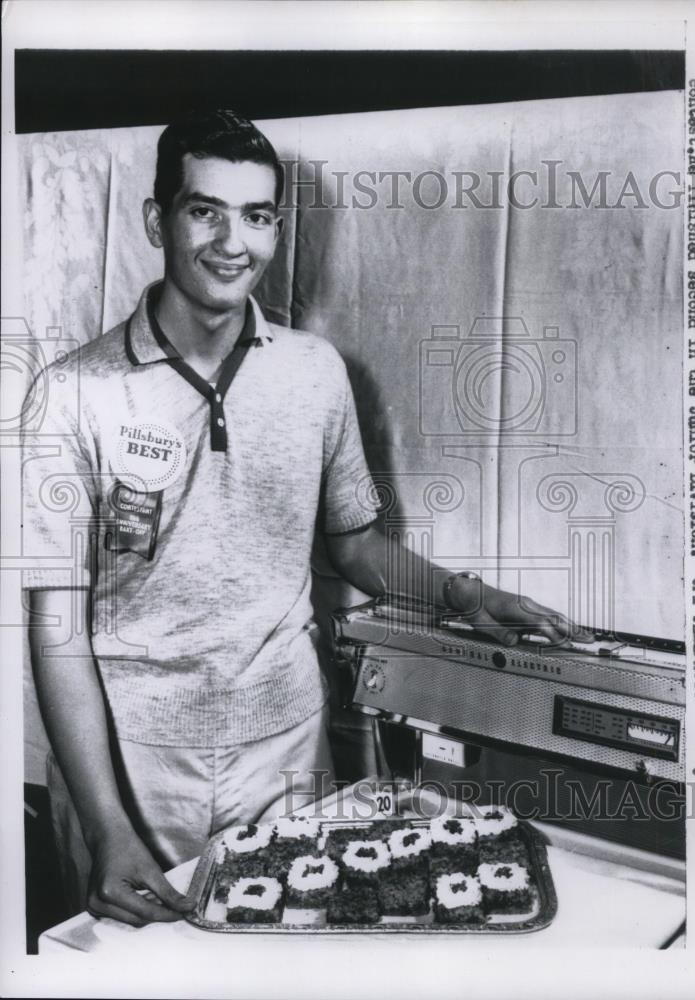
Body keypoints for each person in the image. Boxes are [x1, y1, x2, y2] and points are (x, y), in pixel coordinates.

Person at [23, 109, 588, 927]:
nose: (232, 242)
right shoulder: (70, 393)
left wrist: (465, 595)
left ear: (277, 228)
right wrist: (107, 825)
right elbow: (55, 625)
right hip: (133, 764)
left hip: (287, 751)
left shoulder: (316, 373)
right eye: (203, 209)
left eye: (256, 216)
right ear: (157, 219)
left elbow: (353, 547)